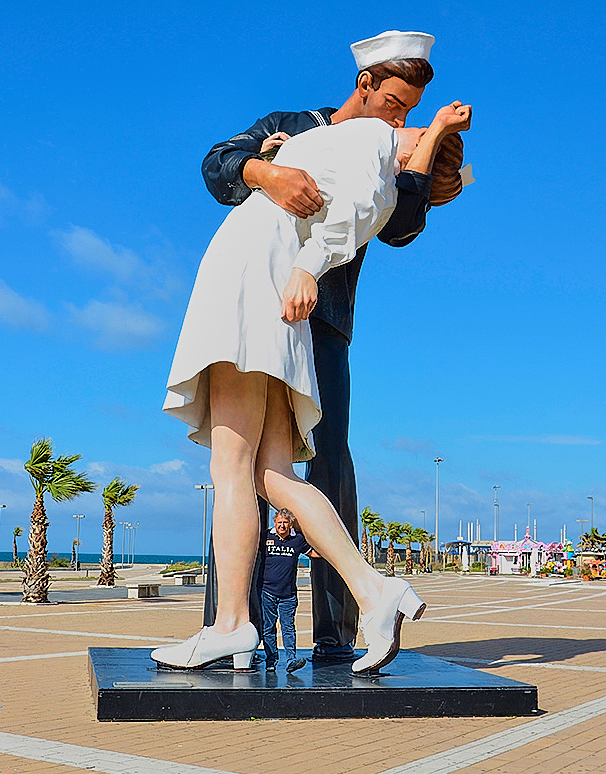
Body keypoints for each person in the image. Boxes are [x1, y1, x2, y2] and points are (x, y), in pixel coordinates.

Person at [153, 102, 469, 675]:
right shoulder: (356, 148)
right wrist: (276, 157)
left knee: (232, 468)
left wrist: (308, 266)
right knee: (273, 475)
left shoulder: (373, 142)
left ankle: (231, 626)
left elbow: (354, 209)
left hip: (252, 279)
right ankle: (373, 592)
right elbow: (342, 200)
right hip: (271, 286)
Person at [260, 508, 317, 673]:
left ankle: (291, 660)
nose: (282, 526)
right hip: (267, 590)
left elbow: (313, 553)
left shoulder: (297, 539)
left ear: (290, 523)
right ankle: (271, 661)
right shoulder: (265, 537)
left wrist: (335, 552)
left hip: (288, 594)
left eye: (285, 523)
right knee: (268, 628)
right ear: (274, 522)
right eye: (279, 523)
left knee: (288, 627)